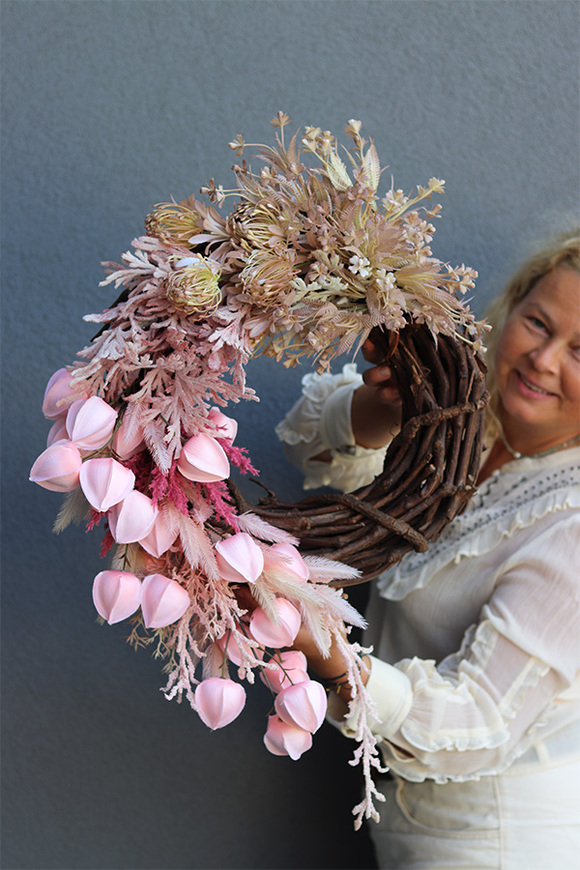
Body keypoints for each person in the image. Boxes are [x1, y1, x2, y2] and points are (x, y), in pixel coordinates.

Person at [275, 230, 580, 869]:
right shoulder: (459, 422)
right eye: (539, 323)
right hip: (410, 823)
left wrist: (325, 648)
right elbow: (311, 452)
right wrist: (382, 410)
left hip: (498, 839)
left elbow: (481, 721)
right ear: (513, 307)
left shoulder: (573, 521)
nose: (544, 360)